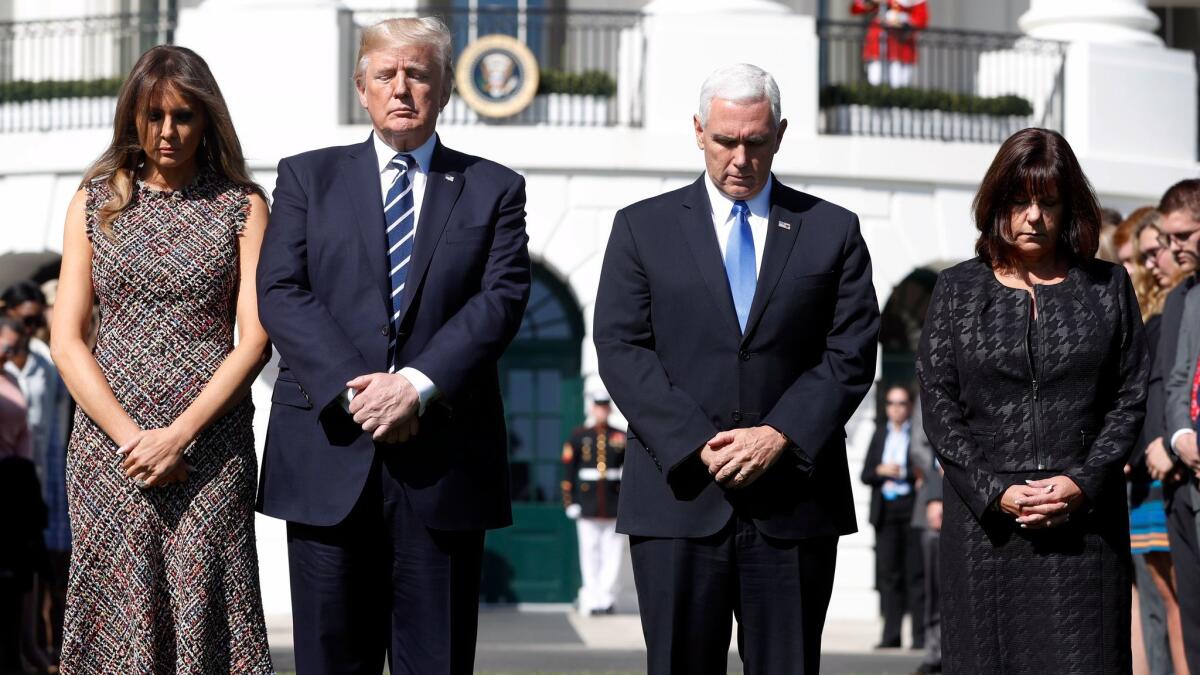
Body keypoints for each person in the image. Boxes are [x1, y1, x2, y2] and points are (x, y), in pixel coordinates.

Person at [255, 17, 531, 675]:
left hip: (443, 463)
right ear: (362, 87)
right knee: (329, 661)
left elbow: (500, 300)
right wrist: (363, 388)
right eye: (387, 74)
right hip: (330, 457)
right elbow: (282, 291)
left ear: (443, 88)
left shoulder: (495, 188)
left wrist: (414, 386)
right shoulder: (306, 178)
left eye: (418, 73)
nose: (401, 88)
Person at [594, 63, 880, 674]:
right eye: (726, 140)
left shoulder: (832, 230)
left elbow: (851, 352)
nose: (741, 157)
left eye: (755, 141)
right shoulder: (642, 228)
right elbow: (622, 348)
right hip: (678, 498)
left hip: (794, 504)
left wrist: (778, 436)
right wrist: (700, 444)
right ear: (699, 132)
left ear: (779, 133)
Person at [50, 45, 273, 672]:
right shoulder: (95, 203)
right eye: (153, 117)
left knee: (208, 605)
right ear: (132, 121)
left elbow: (255, 338)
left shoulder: (243, 205)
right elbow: (67, 340)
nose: (167, 132)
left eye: (183, 116)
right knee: (118, 613)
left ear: (207, 121)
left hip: (210, 445)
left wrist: (179, 436)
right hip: (109, 449)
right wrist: (133, 440)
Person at [918, 127, 1148, 674]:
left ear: (1069, 207)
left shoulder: (1108, 287)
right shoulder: (957, 290)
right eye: (1019, 201)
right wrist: (996, 493)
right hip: (985, 530)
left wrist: (1082, 482)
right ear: (997, 203)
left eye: (1048, 202)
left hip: (1086, 530)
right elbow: (939, 404)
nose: (1033, 217)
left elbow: (1130, 397)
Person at [1124, 207, 1188, 675]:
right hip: (1147, 468)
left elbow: (1169, 387)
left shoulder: (1177, 309)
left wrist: (1163, 445)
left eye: (1154, 251)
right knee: (1158, 600)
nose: (1150, 263)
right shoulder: (1157, 314)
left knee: (1176, 601)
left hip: (1168, 465)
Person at [1150, 179, 1200, 674]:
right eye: (1168, 237)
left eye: (1184, 235)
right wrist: (1179, 437)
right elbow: (1173, 379)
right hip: (1182, 479)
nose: (1173, 247)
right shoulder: (1182, 298)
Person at [861, 384, 925, 650]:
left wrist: (903, 472)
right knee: (889, 576)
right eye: (890, 403)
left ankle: (920, 637)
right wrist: (881, 469)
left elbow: (923, 468)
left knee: (915, 574)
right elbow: (866, 474)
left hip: (910, 508)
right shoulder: (879, 434)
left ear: (909, 406)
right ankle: (891, 635)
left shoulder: (917, 434)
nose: (895, 408)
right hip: (886, 511)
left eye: (900, 403)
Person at [561, 392, 626, 616]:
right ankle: (592, 597)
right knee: (589, 552)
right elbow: (569, 471)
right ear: (592, 409)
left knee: (612, 553)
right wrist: (569, 501)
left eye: (604, 407)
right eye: (598, 407)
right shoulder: (579, 436)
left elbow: (628, 472)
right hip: (587, 503)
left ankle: (606, 598)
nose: (601, 411)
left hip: (612, 502)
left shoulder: (620, 436)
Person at [851, 0, 929, 88]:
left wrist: (904, 22)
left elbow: (921, 20)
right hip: (878, 44)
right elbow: (857, 8)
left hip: (901, 45)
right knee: (875, 78)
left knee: (899, 82)